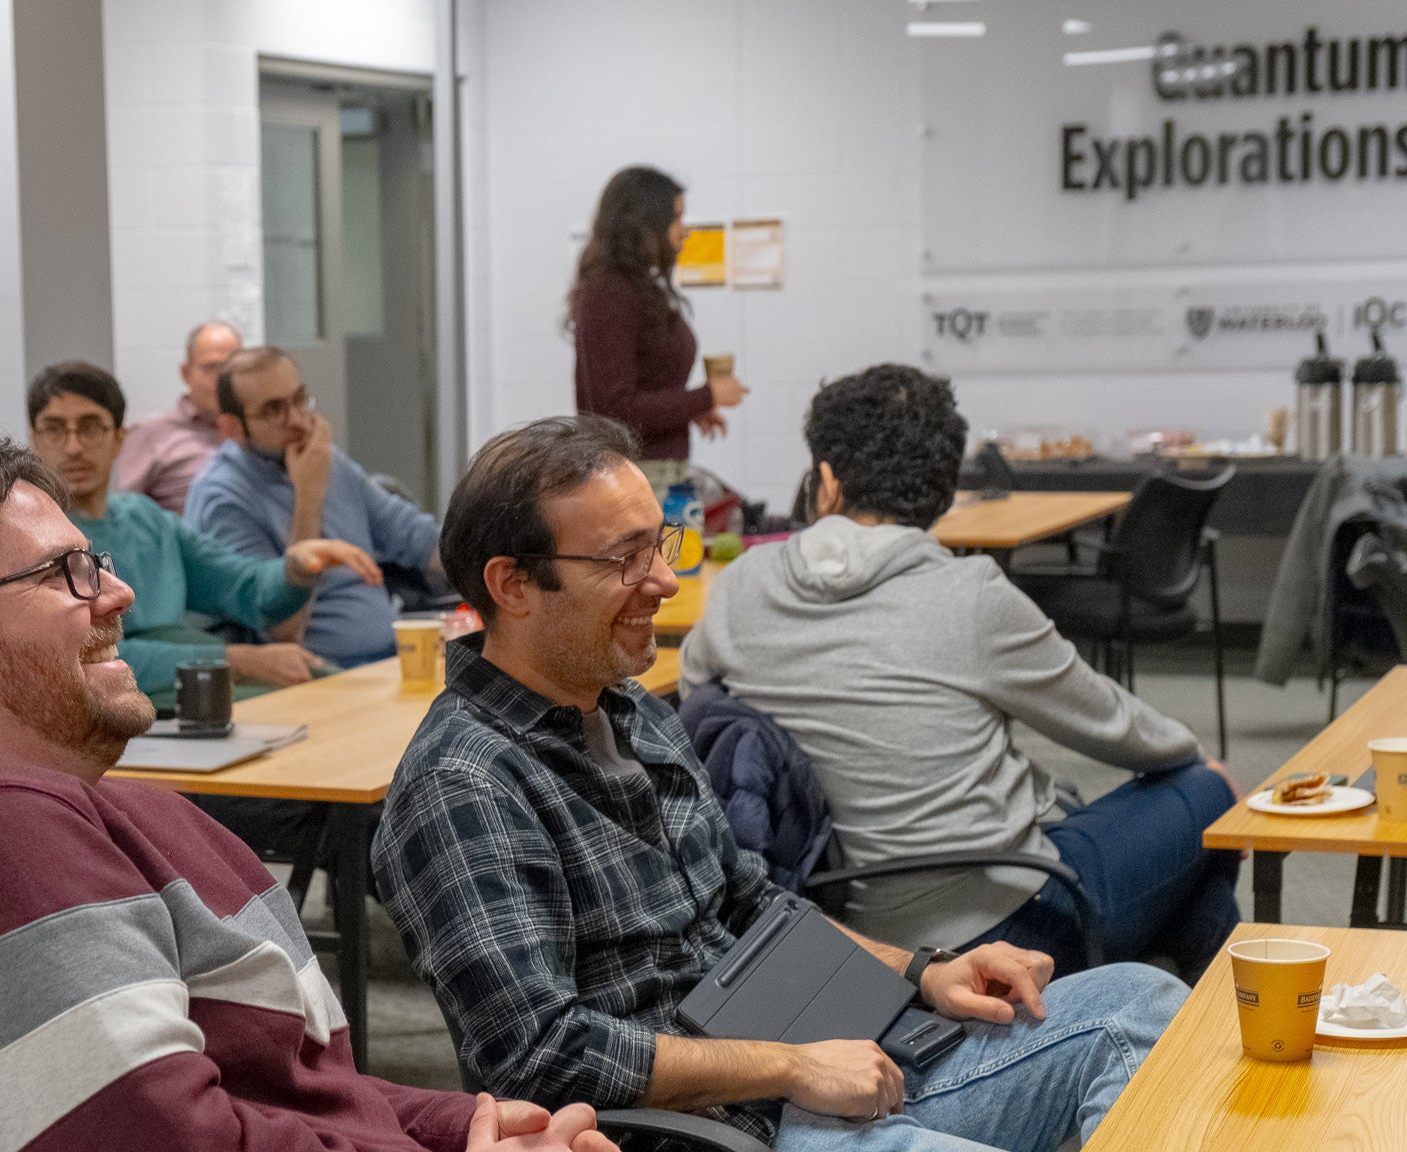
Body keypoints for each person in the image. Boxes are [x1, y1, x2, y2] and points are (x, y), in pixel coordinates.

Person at [0, 426, 617, 1152]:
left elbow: (311, 1094)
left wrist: (479, 1124)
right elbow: (172, 1145)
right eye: (61, 573)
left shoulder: (141, 816)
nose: (117, 593)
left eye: (95, 562)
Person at [372, 414, 1188, 1152]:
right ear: (512, 585)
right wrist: (791, 1066)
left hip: (823, 1058)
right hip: (723, 1128)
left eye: (662, 544)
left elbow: (750, 903)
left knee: (1141, 1004)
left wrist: (922, 971)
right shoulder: (463, 783)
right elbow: (539, 1056)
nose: (662, 579)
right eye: (625, 559)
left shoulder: (630, 710)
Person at [679, 365, 1240, 981]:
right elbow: (1119, 731)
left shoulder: (739, 590)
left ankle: (1173, 996)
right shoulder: (972, 598)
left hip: (840, 934)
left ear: (827, 482)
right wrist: (1197, 759)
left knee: (1188, 895)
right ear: (945, 491)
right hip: (1004, 929)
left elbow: (699, 718)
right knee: (1211, 795)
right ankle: (1196, 1011)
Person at [27, 360, 380, 709]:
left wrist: (296, 568)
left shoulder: (147, 520)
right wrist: (236, 660)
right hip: (127, 708)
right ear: (33, 440)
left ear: (119, 440)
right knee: (300, 709)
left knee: (332, 695)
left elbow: (245, 587)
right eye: (55, 430)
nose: (73, 447)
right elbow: (82, 657)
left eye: (90, 428)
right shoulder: (35, 542)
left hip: (188, 686)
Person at [186, 346, 443, 668]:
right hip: (316, 671)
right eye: (273, 410)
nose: (296, 419)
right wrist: (308, 495)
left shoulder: (325, 460)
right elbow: (282, 630)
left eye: (299, 399)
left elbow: (415, 536)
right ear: (232, 429)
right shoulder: (221, 497)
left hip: (389, 656)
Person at [570, 166, 744, 492]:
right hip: (632, 479)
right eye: (677, 218)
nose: (685, 230)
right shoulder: (609, 292)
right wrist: (706, 397)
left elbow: (640, 394)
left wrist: (690, 408)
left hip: (655, 474)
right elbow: (614, 408)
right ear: (646, 224)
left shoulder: (634, 288)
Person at [117, 320, 242, 514]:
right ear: (186, 373)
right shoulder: (151, 434)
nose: (222, 378)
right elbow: (122, 514)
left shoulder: (255, 432)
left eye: (231, 368)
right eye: (211, 368)